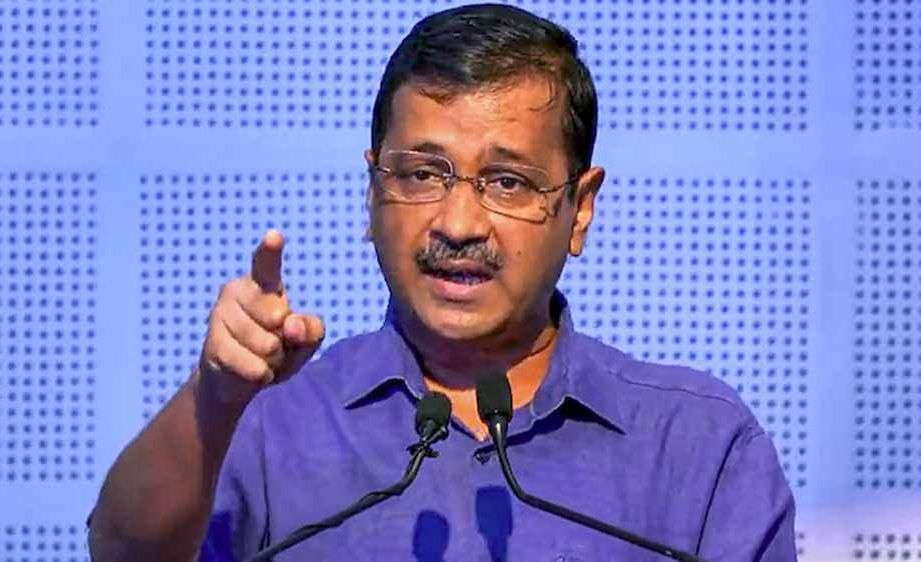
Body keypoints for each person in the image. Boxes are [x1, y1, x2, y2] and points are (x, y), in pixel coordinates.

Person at [87, 4, 797, 561]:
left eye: (507, 182)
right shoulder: (268, 422)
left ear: (579, 210)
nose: (458, 223)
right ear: (372, 192)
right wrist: (215, 399)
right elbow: (122, 555)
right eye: (422, 174)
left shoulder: (698, 444)